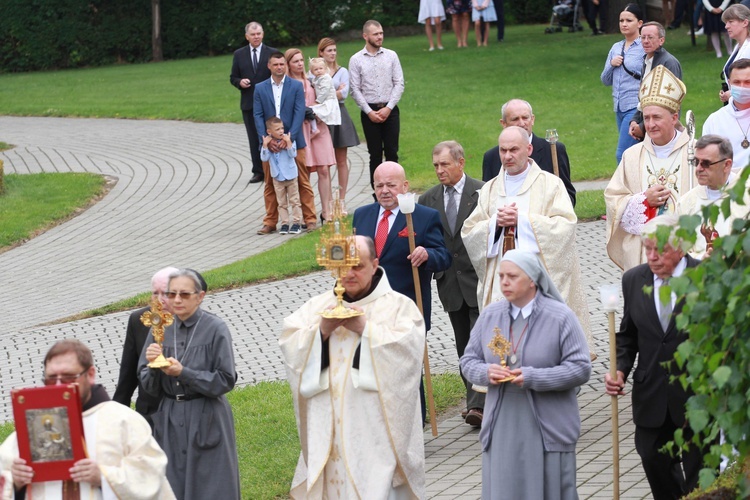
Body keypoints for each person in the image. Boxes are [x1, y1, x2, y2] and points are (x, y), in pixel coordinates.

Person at [280, 235, 425, 499]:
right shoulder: (317, 307)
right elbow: (290, 341)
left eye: (357, 265)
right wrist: (320, 332)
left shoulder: (399, 307)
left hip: (375, 426)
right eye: (342, 265)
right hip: (328, 423)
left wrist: (365, 330)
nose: (348, 273)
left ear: (375, 264)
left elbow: (408, 352)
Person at [461, 250, 591, 499]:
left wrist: (534, 377)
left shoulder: (560, 317)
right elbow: (468, 361)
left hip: (547, 423)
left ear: (533, 279)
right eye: (501, 276)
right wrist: (487, 372)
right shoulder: (490, 315)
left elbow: (581, 368)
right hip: (502, 423)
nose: (504, 282)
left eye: (512, 276)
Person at [463, 126, 594, 358]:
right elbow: (470, 231)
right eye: (503, 150)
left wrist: (522, 222)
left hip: (537, 279)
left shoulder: (550, 184)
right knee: (504, 345)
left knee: (539, 346)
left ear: (529, 149)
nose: (507, 156)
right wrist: (495, 224)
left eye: (514, 149)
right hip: (502, 283)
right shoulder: (490, 189)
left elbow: (565, 226)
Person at [604, 214, 703, 500]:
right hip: (652, 393)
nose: (652, 257)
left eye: (660, 250)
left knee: (700, 472)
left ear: (682, 248)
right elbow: (628, 334)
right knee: (652, 459)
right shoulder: (634, 279)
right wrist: (620, 369)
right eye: (648, 249)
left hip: (695, 394)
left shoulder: (705, 278)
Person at [0, 339, 175, 499]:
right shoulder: (33, 424)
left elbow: (150, 475)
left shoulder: (123, 421)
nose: (60, 386)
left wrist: (104, 477)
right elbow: (4, 474)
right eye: (52, 379)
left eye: (69, 377)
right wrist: (15, 482)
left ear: (90, 374)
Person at [352, 161, 451, 422]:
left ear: (405, 186)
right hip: (367, 308)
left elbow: (443, 257)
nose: (384, 191)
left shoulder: (423, 216)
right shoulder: (362, 215)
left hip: (406, 306)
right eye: (379, 185)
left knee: (406, 371)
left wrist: (426, 253)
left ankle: (413, 429)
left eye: (391, 185)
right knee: (370, 370)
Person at [139, 269, 240, 500]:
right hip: (170, 418)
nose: (176, 300)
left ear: (200, 296)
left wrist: (184, 373)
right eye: (171, 294)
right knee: (171, 487)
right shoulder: (160, 326)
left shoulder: (215, 328)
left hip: (206, 416)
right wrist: (154, 365)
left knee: (211, 486)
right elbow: (147, 384)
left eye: (184, 294)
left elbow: (225, 380)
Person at [419, 141, 486, 427]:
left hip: (480, 280)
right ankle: (475, 398)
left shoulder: (483, 192)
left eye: (444, 164)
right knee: (463, 346)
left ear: (461, 162)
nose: (439, 170)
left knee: (481, 342)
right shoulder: (428, 200)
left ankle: (479, 405)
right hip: (450, 285)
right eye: (435, 165)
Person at [605, 65, 691, 271]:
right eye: (646, 118)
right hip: (645, 255)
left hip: (687, 249)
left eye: (657, 117)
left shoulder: (694, 153)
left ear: (674, 117)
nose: (650, 125)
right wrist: (644, 201)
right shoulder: (632, 156)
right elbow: (613, 200)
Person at [253, 51, 317, 235]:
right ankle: (271, 221)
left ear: (285, 65)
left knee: (302, 181)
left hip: (293, 141)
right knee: (270, 183)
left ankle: (310, 218)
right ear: (269, 66)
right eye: (276, 64)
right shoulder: (260, 88)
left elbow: (299, 113)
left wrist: (290, 138)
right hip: (269, 144)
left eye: (282, 64)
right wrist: (266, 140)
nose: (279, 67)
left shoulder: (296, 86)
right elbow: (257, 115)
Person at [113, 266, 178, 426]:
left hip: (183, 410)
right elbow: (127, 376)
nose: (159, 299)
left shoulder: (195, 322)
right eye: (155, 293)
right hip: (150, 413)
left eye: (165, 293)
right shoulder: (139, 320)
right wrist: (116, 415)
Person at [482, 98, 576, 206]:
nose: (521, 123)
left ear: (532, 119)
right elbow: (487, 200)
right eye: (515, 119)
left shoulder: (553, 150)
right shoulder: (492, 157)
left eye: (525, 118)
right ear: (503, 123)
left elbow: (568, 196)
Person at [349, 20, 405, 190]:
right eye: (376, 34)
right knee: (374, 154)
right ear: (365, 36)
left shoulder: (391, 55)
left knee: (392, 152)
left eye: (381, 33)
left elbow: (399, 83)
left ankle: (396, 189)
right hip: (369, 112)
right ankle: (377, 191)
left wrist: (388, 107)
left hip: (390, 109)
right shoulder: (356, 60)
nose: (380, 36)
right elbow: (355, 89)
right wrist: (368, 111)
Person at [677, 134, 749, 258]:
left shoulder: (746, 196)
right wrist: (700, 259)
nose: (699, 169)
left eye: (706, 163)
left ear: (727, 165)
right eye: (696, 162)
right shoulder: (686, 203)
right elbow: (678, 251)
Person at [286, 49, 336, 224]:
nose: (299, 64)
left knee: (324, 169)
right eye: (295, 61)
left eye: (301, 60)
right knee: (304, 170)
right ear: (288, 65)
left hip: (318, 125)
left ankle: (327, 210)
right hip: (301, 128)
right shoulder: (288, 83)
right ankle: (307, 212)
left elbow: (327, 97)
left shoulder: (312, 79)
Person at [230, 22, 276, 184]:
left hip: (270, 103)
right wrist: (239, 82)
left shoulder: (272, 53)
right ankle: (258, 171)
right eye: (253, 34)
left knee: (272, 135)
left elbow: (279, 74)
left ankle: (273, 169)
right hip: (249, 103)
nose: (256, 37)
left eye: (258, 34)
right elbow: (233, 77)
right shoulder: (239, 54)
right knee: (254, 138)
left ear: (262, 34)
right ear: (247, 36)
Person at [318, 38, 360, 204]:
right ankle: (327, 200)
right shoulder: (315, 71)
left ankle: (341, 200)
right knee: (325, 163)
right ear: (321, 52)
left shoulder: (342, 71)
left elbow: (343, 95)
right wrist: (333, 91)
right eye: (329, 50)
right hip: (323, 117)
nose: (333, 53)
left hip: (339, 115)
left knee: (341, 160)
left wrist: (328, 94)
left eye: (334, 50)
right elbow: (315, 95)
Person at [601, 3, 645, 164]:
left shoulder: (644, 47)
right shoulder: (615, 47)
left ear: (639, 23)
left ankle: (622, 188)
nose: (624, 24)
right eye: (621, 21)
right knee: (634, 153)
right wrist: (612, 65)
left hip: (635, 107)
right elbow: (605, 80)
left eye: (629, 20)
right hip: (618, 107)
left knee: (622, 154)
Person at [628, 21, 683, 141]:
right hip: (647, 124)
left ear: (661, 40)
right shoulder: (646, 61)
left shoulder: (669, 63)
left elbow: (668, 104)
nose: (646, 41)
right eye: (643, 37)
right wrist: (634, 121)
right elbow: (644, 99)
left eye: (650, 37)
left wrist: (642, 128)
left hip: (662, 130)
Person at [705, 58, 750, 171]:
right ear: (729, 84)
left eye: (747, 82)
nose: (742, 87)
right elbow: (708, 163)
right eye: (737, 82)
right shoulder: (714, 121)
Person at [261, 117, 301, 235]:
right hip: (277, 177)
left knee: (294, 200)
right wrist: (264, 146)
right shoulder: (269, 143)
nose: (281, 131)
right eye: (277, 129)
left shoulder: (288, 139)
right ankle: (284, 223)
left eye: (282, 128)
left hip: (291, 176)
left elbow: (293, 154)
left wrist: (288, 142)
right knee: (281, 202)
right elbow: (264, 158)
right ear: (269, 132)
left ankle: (297, 222)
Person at [719, 5, 750, 104]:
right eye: (726, 22)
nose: (726, 26)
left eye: (731, 22)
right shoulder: (738, 47)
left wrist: (732, 93)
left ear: (745, 22)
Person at [307, 57, 341, 133]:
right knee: (313, 111)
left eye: (321, 68)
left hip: (328, 100)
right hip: (324, 100)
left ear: (325, 69)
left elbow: (324, 91)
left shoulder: (325, 78)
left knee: (312, 110)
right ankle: (315, 126)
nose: (319, 71)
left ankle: (315, 128)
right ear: (312, 72)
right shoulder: (317, 78)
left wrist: (318, 101)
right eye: (316, 69)